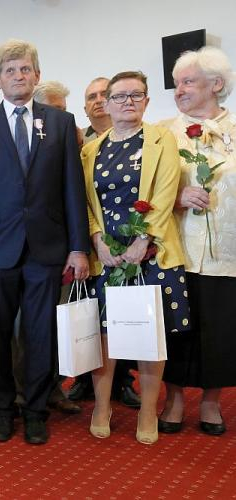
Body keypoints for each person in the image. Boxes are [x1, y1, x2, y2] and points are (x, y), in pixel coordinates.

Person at [0, 40, 90, 445]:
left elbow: (72, 189)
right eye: (10, 70)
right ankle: (2, 409)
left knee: (40, 333)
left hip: (47, 250)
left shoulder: (61, 123)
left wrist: (78, 246)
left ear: (36, 75)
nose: (19, 76)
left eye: (26, 69)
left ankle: (35, 411)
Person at [82, 71, 189, 445]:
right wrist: (97, 240)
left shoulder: (163, 139)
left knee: (149, 336)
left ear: (146, 101)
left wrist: (143, 239)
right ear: (106, 104)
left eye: (136, 95)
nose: (128, 101)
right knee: (105, 337)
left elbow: (165, 191)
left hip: (152, 253)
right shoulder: (91, 149)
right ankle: (100, 405)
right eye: (120, 96)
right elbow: (88, 203)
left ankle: (147, 410)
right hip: (108, 256)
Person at [158, 46, 236, 437]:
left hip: (228, 254)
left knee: (220, 330)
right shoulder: (162, 134)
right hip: (177, 251)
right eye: (177, 84)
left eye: (188, 82)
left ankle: (210, 403)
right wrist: (176, 198)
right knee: (176, 330)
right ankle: (172, 400)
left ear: (216, 85)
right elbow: (148, 192)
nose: (179, 90)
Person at [10, 80, 81, 416]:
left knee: (55, 323)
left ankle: (51, 386)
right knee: (26, 327)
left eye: (64, 111)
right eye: (56, 110)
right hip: (22, 248)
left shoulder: (71, 137)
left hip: (62, 248)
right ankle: (24, 390)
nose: (61, 118)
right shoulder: (17, 139)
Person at [69, 76, 141, 407]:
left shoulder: (141, 137)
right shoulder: (79, 145)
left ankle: (124, 380)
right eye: (91, 96)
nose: (98, 100)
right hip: (95, 245)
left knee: (128, 317)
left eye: (103, 94)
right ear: (85, 108)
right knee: (92, 317)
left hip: (136, 246)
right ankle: (86, 380)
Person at [81, 77, 113, 144]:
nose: (99, 100)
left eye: (105, 94)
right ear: (85, 110)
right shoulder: (76, 139)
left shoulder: (137, 132)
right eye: (92, 97)